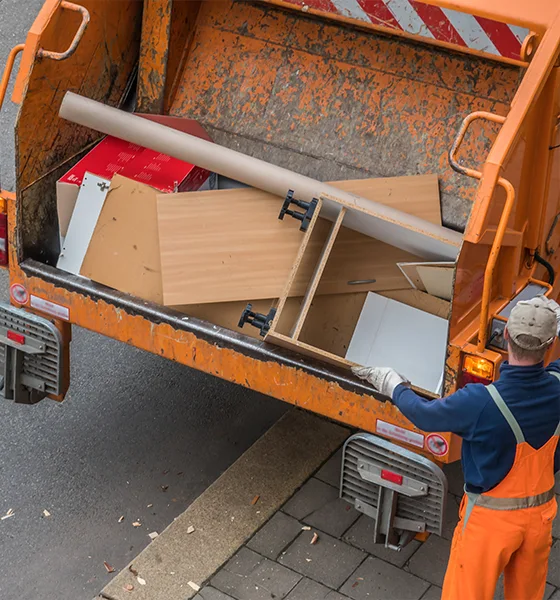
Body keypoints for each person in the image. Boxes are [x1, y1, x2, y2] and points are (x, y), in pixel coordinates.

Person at [352, 295, 560, 600]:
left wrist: (393, 385)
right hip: (540, 517)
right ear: (550, 343)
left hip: (490, 523)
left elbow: (424, 415)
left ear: (505, 336)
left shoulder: (479, 402)